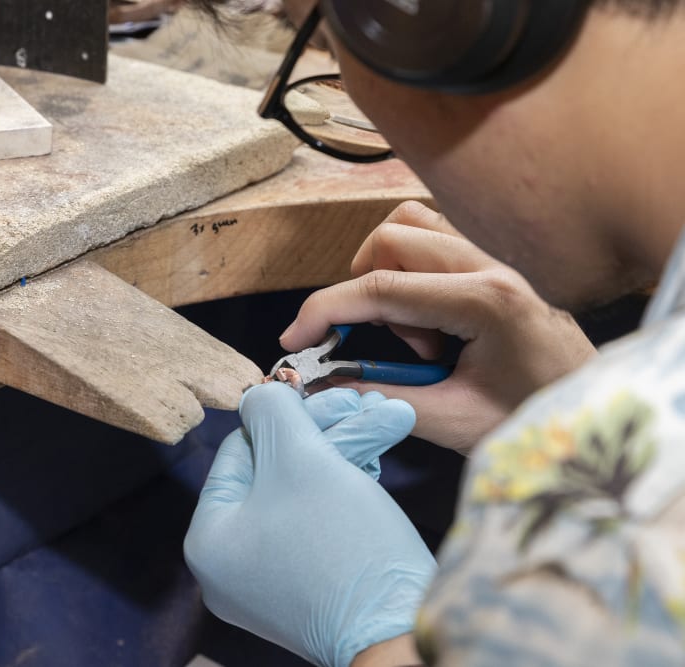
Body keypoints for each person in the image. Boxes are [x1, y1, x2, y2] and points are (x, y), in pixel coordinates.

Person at [182, 0, 685, 665]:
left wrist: (380, 637)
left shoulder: (614, 518)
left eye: (328, 50)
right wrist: (570, 387)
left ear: (424, 21)